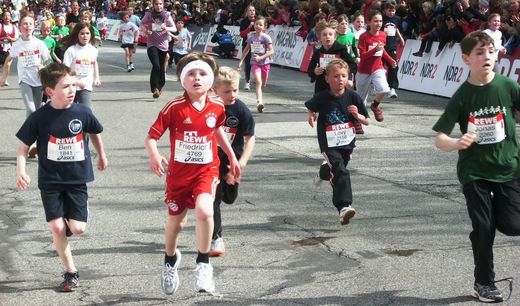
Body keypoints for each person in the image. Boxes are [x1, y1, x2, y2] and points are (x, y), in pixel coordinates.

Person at [433, 31, 520, 303]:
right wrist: (457, 142)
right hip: (475, 171)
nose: (487, 57)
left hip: (508, 167)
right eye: (480, 53)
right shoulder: (463, 96)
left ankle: (498, 215)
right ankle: (484, 283)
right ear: (466, 59)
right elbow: (440, 138)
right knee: (484, 228)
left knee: (513, 225)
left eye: (490, 51)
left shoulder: (507, 86)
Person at [144, 52, 241, 296]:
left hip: (206, 171)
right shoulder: (175, 107)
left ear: (211, 80)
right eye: (191, 74)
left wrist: (231, 156)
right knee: (176, 223)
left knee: (205, 210)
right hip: (178, 175)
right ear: (182, 80)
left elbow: (217, 130)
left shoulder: (217, 106)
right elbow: (151, 137)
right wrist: (154, 154)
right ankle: (169, 260)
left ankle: (204, 263)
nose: (196, 78)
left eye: (202, 74)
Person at [15, 62, 108, 292]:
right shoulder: (39, 117)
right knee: (57, 228)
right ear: (49, 91)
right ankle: (70, 272)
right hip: (50, 181)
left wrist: (102, 155)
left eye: (73, 85)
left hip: (77, 179)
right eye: (66, 86)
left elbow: (95, 132)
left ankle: (68, 226)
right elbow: (23, 148)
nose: (72, 90)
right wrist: (21, 170)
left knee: (77, 229)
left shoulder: (82, 112)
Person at [305, 59, 370, 225]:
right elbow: (311, 106)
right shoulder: (322, 97)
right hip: (328, 142)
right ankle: (344, 207)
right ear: (327, 79)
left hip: (347, 141)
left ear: (348, 78)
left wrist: (358, 116)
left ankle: (323, 172)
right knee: (340, 170)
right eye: (335, 76)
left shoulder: (353, 96)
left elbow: (367, 121)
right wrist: (311, 114)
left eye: (343, 76)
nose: (340, 79)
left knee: (336, 167)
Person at [209, 67, 255, 257]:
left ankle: (231, 185)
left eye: (235, 90)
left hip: (232, 163)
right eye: (227, 91)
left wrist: (242, 161)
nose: (232, 95)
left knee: (229, 198)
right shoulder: (208, 107)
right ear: (215, 90)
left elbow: (250, 137)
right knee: (214, 200)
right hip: (210, 162)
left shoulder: (241, 110)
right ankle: (216, 238)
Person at [0, 15, 50, 121]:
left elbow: (48, 61)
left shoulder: (39, 44)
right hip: (25, 80)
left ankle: (33, 133)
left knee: (36, 110)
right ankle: (29, 134)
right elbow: (8, 60)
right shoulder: (17, 45)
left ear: (34, 26)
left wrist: (44, 67)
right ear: (19, 27)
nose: (28, 26)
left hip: (38, 80)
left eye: (30, 23)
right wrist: (3, 78)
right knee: (31, 109)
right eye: (25, 23)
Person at [356, 11, 397, 122]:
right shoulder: (364, 37)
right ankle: (357, 121)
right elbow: (363, 56)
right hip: (364, 71)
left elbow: (382, 50)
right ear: (369, 22)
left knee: (384, 89)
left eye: (380, 21)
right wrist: (375, 49)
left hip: (377, 69)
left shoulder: (383, 35)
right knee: (360, 101)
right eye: (375, 21)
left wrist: (390, 60)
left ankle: (375, 106)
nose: (378, 24)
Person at [237, 16, 274, 113]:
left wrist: (261, 57)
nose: (258, 26)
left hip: (265, 63)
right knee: (258, 82)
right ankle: (259, 102)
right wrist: (241, 62)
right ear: (254, 25)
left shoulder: (266, 37)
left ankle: (260, 90)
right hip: (255, 63)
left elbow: (271, 51)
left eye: (260, 25)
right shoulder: (251, 37)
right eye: (256, 24)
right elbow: (246, 50)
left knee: (263, 83)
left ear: (264, 27)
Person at [140, 0, 176, 99]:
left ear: (163, 5)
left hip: (163, 45)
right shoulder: (149, 14)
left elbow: (174, 28)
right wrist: (146, 31)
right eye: (156, 4)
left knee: (160, 67)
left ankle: (159, 87)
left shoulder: (167, 15)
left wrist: (166, 28)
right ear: (153, 5)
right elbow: (141, 24)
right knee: (156, 65)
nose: (158, 6)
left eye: (160, 4)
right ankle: (155, 88)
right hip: (152, 44)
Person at [61, 22, 101, 108]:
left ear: (91, 35)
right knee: (69, 111)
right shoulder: (71, 50)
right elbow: (65, 70)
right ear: (77, 35)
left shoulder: (93, 50)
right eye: (82, 33)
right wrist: (77, 82)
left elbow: (94, 63)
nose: (85, 36)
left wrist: (97, 78)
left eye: (87, 33)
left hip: (86, 85)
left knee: (86, 110)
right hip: (71, 86)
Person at [382, 0, 404, 99]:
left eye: (393, 10)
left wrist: (401, 38)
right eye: (389, 10)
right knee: (379, 67)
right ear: (385, 10)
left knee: (394, 65)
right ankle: (378, 86)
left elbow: (396, 28)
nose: (391, 13)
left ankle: (392, 88)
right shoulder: (381, 19)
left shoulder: (397, 19)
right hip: (381, 45)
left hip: (392, 45)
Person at [239, 4, 256, 91]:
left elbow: (263, 30)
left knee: (257, 63)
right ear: (247, 12)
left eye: (253, 10)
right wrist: (249, 27)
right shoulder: (244, 22)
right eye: (250, 10)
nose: (252, 12)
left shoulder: (258, 20)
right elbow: (242, 35)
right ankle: (247, 81)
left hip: (257, 45)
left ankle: (257, 79)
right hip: (247, 45)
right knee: (248, 64)